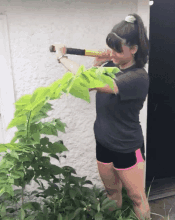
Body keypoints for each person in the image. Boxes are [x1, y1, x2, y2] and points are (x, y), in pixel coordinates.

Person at [53, 13, 150, 220]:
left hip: (126, 147)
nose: (112, 53)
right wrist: (97, 63)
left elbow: (86, 82)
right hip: (104, 142)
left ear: (133, 50)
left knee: (137, 198)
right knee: (111, 193)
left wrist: (62, 57)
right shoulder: (110, 67)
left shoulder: (138, 77)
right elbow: (86, 86)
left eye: (118, 50)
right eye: (111, 48)